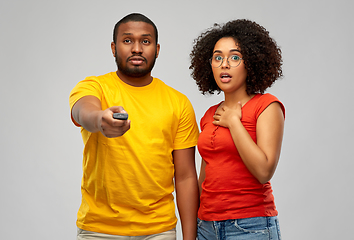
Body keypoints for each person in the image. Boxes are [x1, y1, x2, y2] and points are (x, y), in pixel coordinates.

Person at [69, 13, 199, 240]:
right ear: (113, 47)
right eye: (127, 40)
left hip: (159, 230)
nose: (137, 48)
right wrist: (100, 119)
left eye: (145, 41)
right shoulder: (94, 86)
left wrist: (190, 238)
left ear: (157, 49)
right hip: (98, 229)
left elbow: (186, 177)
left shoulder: (178, 103)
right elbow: (83, 111)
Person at [189, 19, 285, 240]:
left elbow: (264, 171)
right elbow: (205, 174)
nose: (224, 64)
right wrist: (195, 222)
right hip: (206, 226)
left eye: (234, 57)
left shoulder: (267, 106)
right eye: (218, 57)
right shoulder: (209, 115)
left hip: (250, 226)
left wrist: (234, 123)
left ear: (250, 62)